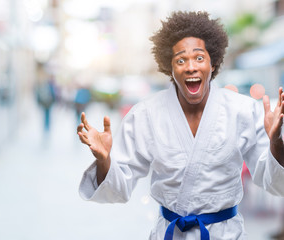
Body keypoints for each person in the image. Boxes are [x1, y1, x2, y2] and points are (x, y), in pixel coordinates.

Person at [77, 11, 284, 240]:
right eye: (181, 60)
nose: (191, 67)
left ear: (213, 63)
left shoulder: (243, 111)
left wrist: (276, 144)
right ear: (170, 67)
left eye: (199, 58)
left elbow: (275, 183)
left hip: (227, 235)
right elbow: (117, 188)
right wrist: (104, 160)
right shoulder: (145, 115)